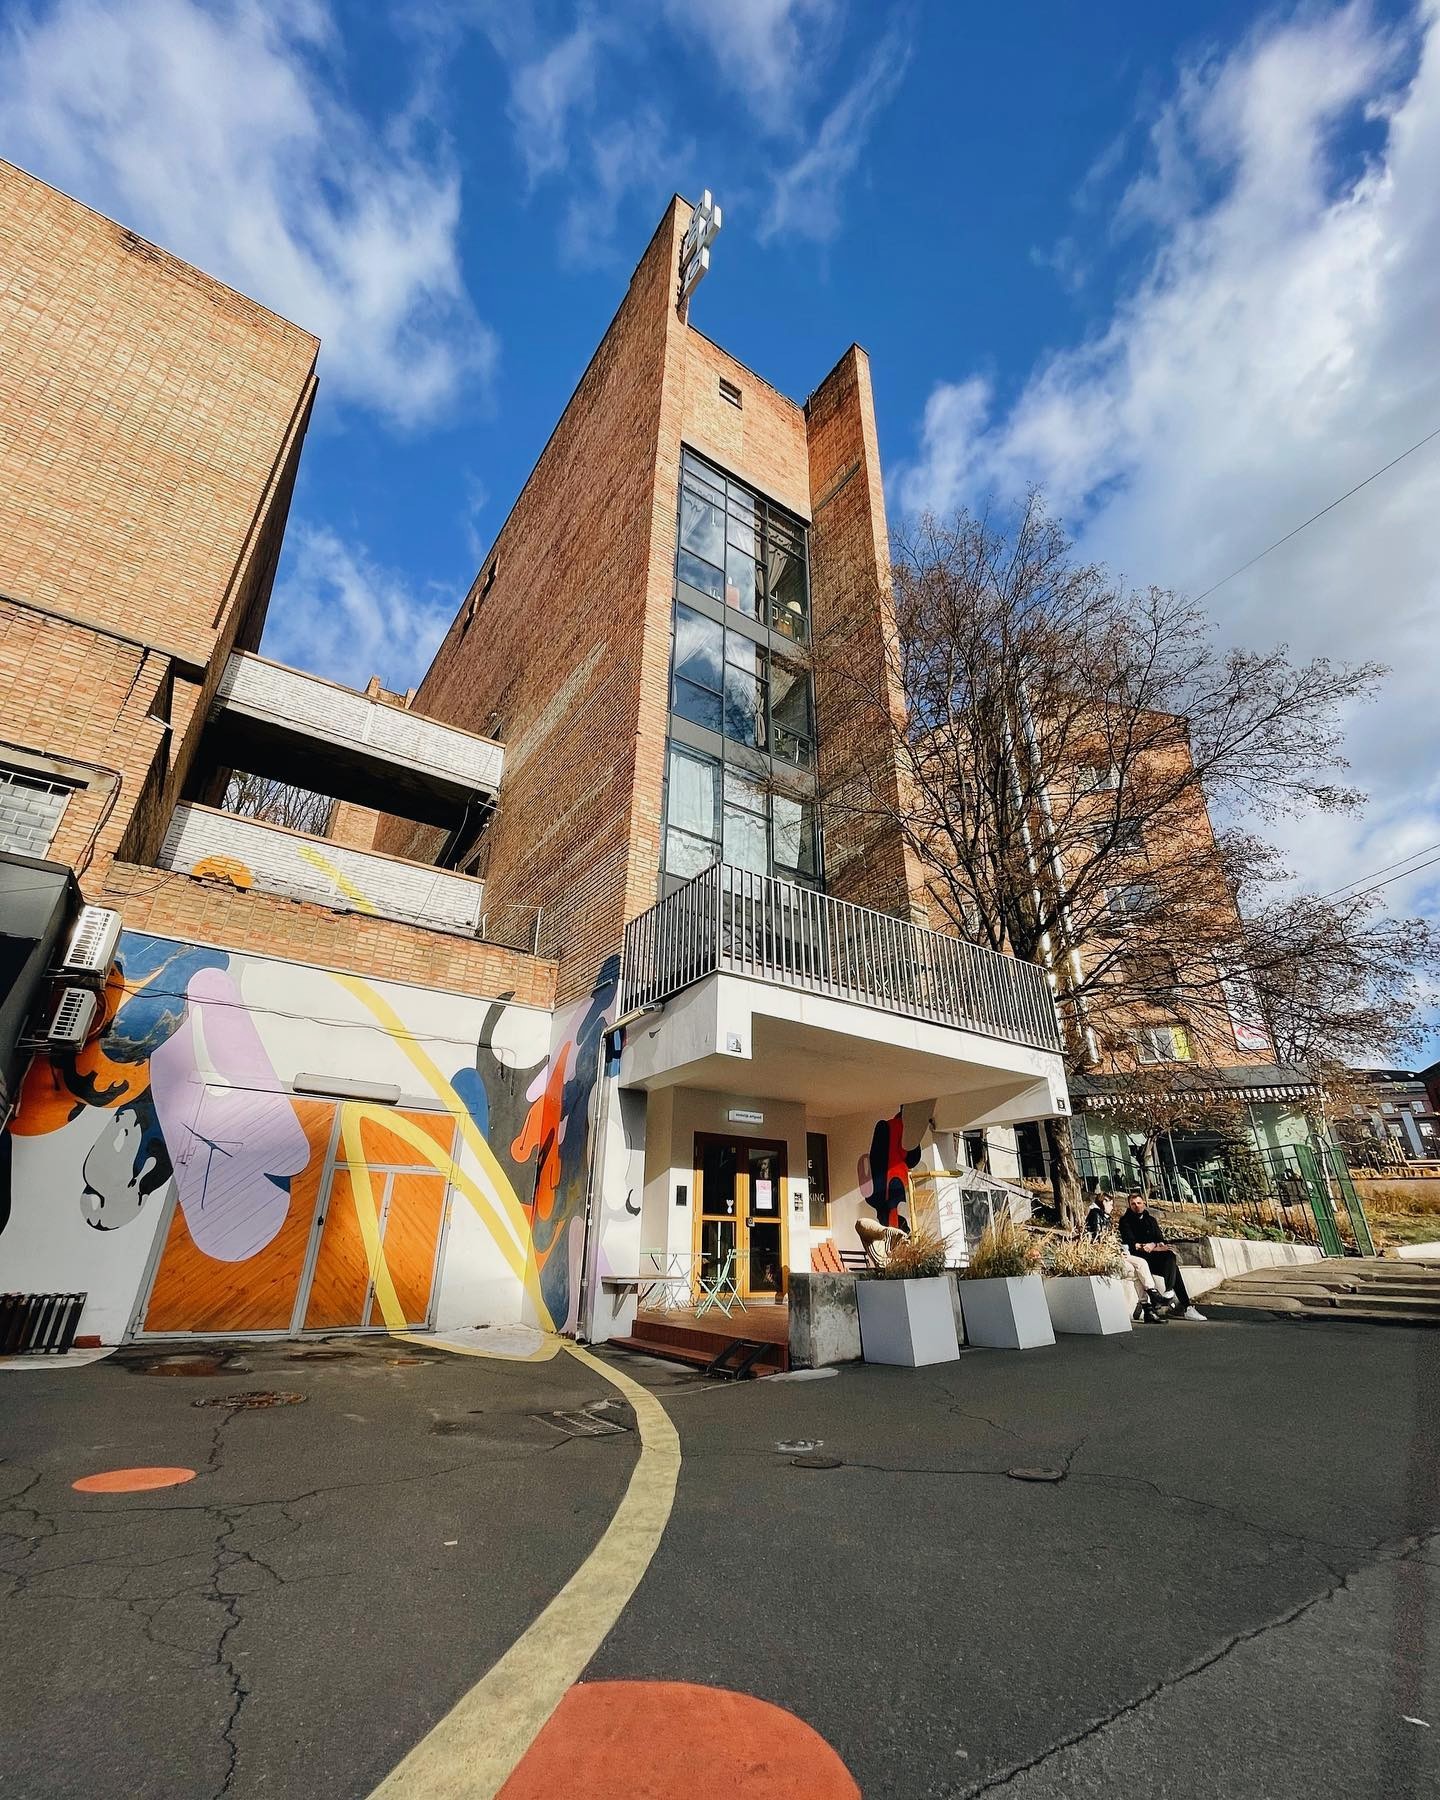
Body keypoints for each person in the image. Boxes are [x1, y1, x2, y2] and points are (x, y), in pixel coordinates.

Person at [1118, 1193, 1206, 1320]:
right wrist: (1149, 1246)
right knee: (1174, 1268)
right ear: (1129, 1205)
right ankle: (1185, 1306)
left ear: (1144, 1203)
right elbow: (1132, 1244)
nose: (1137, 1206)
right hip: (1139, 1257)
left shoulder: (1151, 1220)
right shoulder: (1125, 1221)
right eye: (1133, 1204)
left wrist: (1153, 1245)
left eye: (1139, 1203)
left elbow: (1160, 1241)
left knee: (1170, 1256)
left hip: (1154, 1256)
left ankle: (1173, 1295)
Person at [1084, 1192, 1168, 1323]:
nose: (1112, 1207)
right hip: (1106, 1254)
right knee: (1137, 1269)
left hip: (1115, 1252)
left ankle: (1151, 1299)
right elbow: (1098, 1239)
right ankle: (1149, 1305)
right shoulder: (1096, 1215)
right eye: (1110, 1204)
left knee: (1141, 1263)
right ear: (1104, 1202)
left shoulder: (1104, 1216)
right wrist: (1117, 1251)